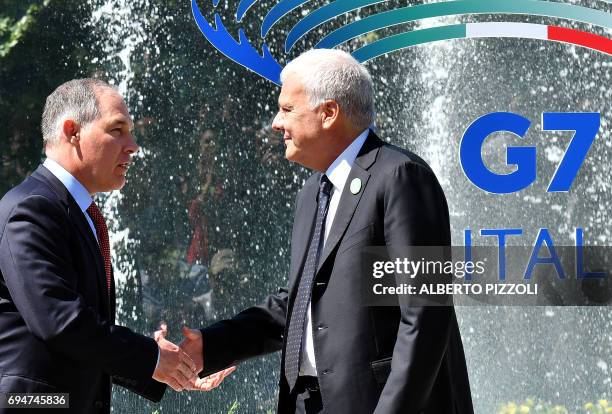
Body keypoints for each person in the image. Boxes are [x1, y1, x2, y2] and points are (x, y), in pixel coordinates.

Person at [180, 49, 474, 413]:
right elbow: (299, 302)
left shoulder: (401, 176)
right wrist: (211, 346)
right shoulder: (311, 193)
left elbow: (427, 313)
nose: (275, 122)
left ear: (329, 113)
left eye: (287, 109)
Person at [0, 79, 201, 414]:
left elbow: (82, 333)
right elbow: (60, 322)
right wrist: (151, 359)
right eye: (117, 130)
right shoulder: (31, 209)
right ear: (72, 131)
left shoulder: (75, 212)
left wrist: (161, 365)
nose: (133, 145)